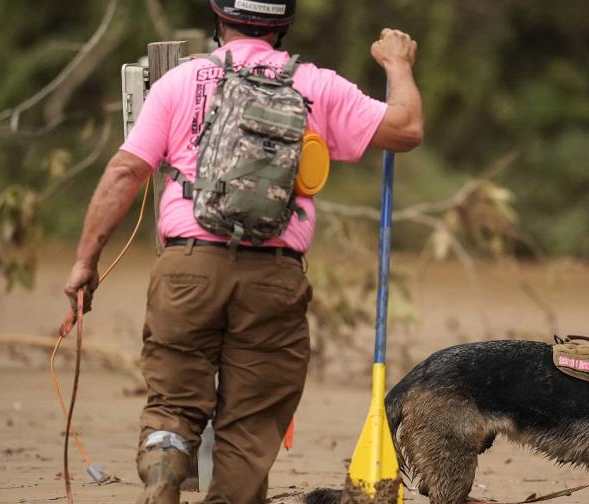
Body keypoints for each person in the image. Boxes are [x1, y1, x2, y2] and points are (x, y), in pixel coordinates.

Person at [62, 0, 423, 502]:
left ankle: (165, 471)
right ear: (284, 25)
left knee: (174, 401)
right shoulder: (315, 84)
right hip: (274, 277)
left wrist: (86, 261)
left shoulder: (180, 82)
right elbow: (406, 129)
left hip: (188, 267)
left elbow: (125, 172)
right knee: (251, 421)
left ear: (219, 17)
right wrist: (397, 65)